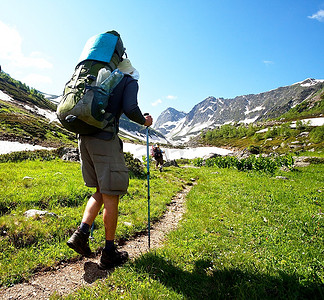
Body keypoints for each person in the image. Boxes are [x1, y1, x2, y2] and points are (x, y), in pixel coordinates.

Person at [67, 55, 153, 269]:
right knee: (112, 194)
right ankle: (109, 252)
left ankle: (81, 234)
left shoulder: (98, 75)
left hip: (84, 138)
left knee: (100, 190)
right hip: (104, 139)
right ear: (131, 70)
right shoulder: (129, 80)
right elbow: (131, 108)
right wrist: (145, 121)